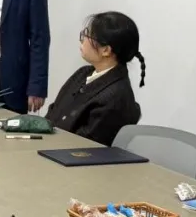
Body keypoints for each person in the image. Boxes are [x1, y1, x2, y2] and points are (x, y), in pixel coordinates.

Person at [45, 12, 145, 146]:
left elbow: (84, 145)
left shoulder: (115, 96)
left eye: (88, 35)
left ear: (106, 50)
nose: (82, 40)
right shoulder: (83, 73)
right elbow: (52, 114)